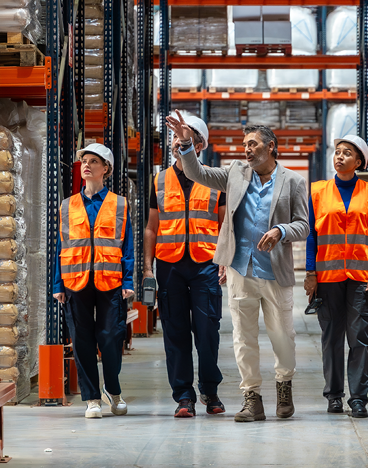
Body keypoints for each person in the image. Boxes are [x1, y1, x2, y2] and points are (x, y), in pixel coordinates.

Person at [166, 111, 309, 423]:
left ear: (271, 147)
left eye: (254, 144)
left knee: (282, 335)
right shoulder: (235, 174)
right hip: (240, 270)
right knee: (243, 339)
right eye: (245, 144)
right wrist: (187, 144)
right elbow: (197, 174)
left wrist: (280, 231)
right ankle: (252, 399)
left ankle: (284, 387)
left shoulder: (294, 182)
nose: (247, 149)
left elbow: (304, 225)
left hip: (275, 273)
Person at [144, 114, 227, 418]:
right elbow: (152, 227)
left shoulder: (216, 178)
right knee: (175, 333)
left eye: (186, 134)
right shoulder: (159, 179)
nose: (178, 139)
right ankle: (183, 396)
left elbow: (224, 225)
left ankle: (211, 390)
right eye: (175, 135)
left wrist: (225, 261)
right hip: (170, 265)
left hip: (206, 264)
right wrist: (148, 268)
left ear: (199, 143)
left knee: (207, 332)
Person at [304, 135, 368, 418]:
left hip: (362, 276)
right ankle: (334, 395)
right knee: (332, 337)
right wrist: (310, 273)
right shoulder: (317, 191)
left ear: (359, 161)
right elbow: (312, 234)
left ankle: (359, 397)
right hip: (327, 276)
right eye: (337, 152)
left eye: (346, 153)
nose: (339, 157)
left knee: (361, 337)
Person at [53, 143, 135, 419]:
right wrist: (57, 285)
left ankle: (113, 388)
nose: (86, 165)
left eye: (93, 161)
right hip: (75, 281)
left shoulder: (119, 204)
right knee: (82, 340)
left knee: (111, 336)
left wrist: (129, 279)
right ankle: (91, 399)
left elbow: (128, 246)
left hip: (110, 281)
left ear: (106, 169)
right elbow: (61, 246)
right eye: (84, 161)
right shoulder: (67, 205)